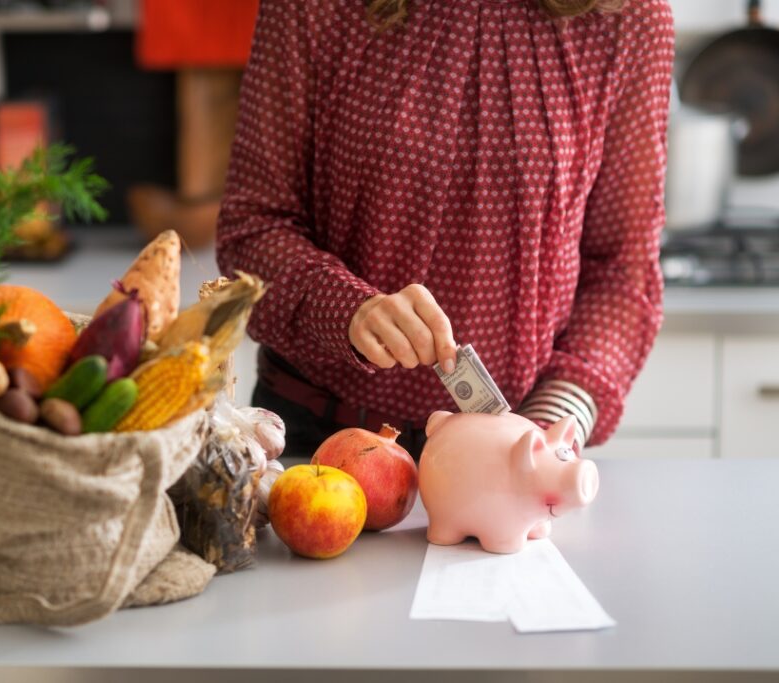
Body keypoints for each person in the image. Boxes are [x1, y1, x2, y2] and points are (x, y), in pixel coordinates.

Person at [216, 0, 674, 458]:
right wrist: (348, 310)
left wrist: (550, 425)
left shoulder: (627, 19)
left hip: (513, 457)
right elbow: (251, 229)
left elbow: (621, 272)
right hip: (320, 442)